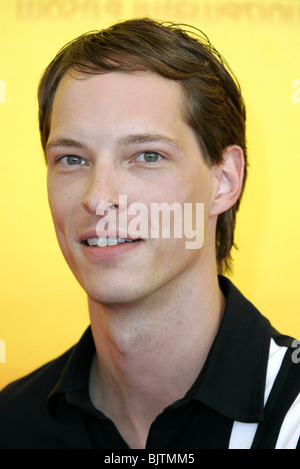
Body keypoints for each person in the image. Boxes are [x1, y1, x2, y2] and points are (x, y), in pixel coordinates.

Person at [0, 18, 299, 450]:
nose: (99, 198)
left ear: (224, 180)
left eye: (147, 155)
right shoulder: (12, 425)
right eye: (71, 159)